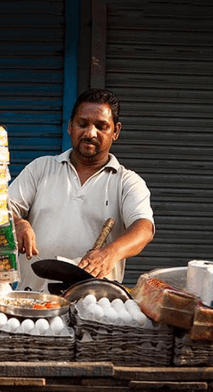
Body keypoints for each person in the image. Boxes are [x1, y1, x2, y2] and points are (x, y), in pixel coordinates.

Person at [9, 88, 155, 291]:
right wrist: (17, 223)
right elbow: (3, 209)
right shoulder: (40, 168)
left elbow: (144, 229)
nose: (90, 133)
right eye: (82, 124)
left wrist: (110, 253)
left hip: (95, 306)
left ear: (116, 131)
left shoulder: (127, 182)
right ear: (70, 126)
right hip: (34, 301)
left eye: (101, 126)